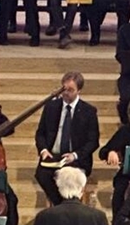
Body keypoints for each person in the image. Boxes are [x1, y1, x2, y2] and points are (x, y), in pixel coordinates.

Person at [34, 72, 99, 205]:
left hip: (75, 158)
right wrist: (44, 150)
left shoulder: (89, 111)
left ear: (79, 90)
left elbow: (93, 141)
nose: (66, 93)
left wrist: (75, 155)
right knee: (42, 175)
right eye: (64, 89)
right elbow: (40, 133)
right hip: (53, 156)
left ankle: (64, 207)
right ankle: (62, 205)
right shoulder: (51, 107)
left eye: (70, 90)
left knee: (70, 177)